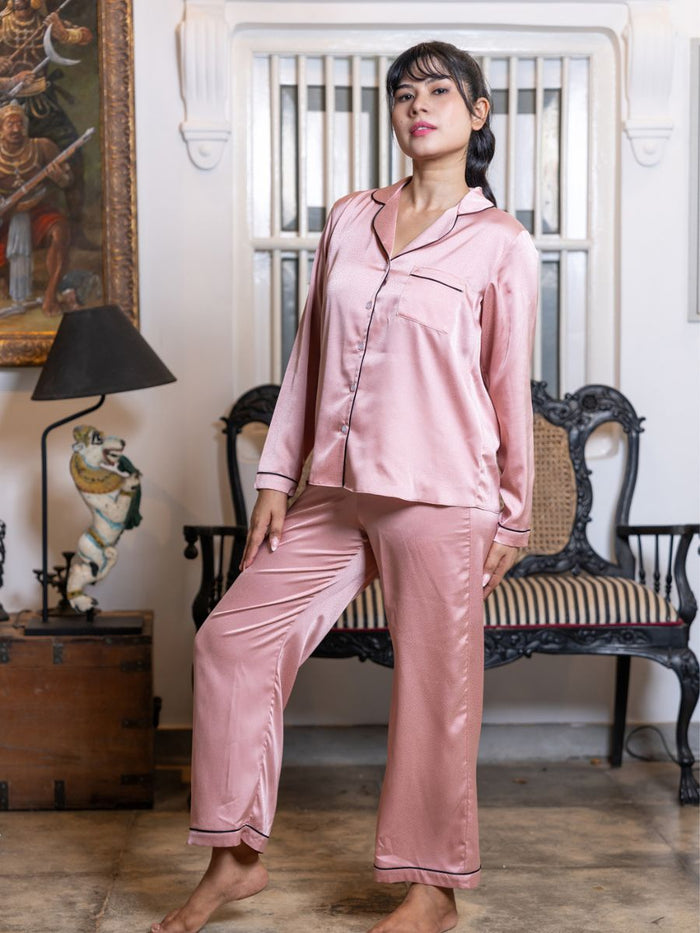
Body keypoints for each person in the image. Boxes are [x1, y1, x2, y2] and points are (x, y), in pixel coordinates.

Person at [152, 40, 539, 933]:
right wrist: (277, 476)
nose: (418, 105)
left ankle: (431, 888)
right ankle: (236, 857)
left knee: (435, 690)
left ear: (478, 113)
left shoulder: (499, 244)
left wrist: (513, 514)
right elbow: (309, 357)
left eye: (440, 91)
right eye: (404, 93)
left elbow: (507, 381)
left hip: (443, 494)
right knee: (232, 641)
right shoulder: (347, 219)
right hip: (335, 485)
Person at [0, 98, 70, 314]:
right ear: (1, 128)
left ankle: (50, 296)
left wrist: (59, 177)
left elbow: (68, 179)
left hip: (36, 210)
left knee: (60, 232)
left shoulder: (42, 147)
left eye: (20, 123)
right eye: (10, 124)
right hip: (5, 214)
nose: (16, 129)